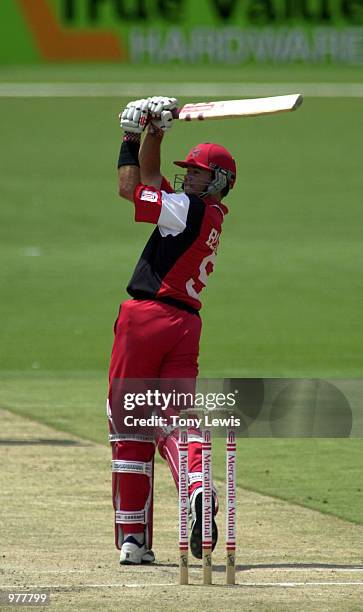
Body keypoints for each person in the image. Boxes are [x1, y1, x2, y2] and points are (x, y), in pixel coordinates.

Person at [107, 96, 237, 565]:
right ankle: (200, 487)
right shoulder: (206, 215)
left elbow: (131, 188)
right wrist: (156, 132)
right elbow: (152, 180)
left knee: (129, 424)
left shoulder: (185, 210)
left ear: (216, 182)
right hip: (186, 325)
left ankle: (133, 541)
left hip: (147, 320)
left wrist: (128, 134)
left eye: (197, 173)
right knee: (176, 419)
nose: (188, 177)